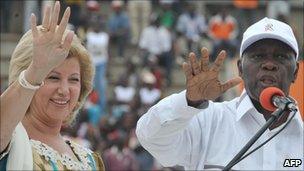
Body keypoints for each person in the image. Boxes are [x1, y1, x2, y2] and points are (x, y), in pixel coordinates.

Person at [136, 17, 303, 170]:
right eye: (258, 56)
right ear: (240, 69)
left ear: (295, 72)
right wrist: (189, 102)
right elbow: (151, 138)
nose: (269, 65)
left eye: (280, 56)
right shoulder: (208, 121)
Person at [0, 2, 104, 170]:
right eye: (53, 77)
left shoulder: (89, 160)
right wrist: (37, 69)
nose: (64, 90)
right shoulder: (9, 143)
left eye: (74, 80)